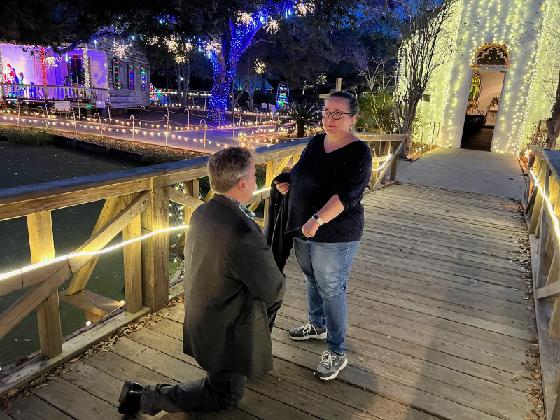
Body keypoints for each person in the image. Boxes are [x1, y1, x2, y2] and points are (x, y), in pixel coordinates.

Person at [118, 147, 286, 416]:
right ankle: (142, 397)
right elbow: (274, 288)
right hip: (226, 330)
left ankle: (243, 363)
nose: (256, 182)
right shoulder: (243, 230)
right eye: (254, 175)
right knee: (224, 396)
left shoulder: (203, 212)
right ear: (242, 183)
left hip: (203, 315)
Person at [276, 91, 372, 381]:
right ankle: (317, 325)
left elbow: (347, 195)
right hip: (303, 226)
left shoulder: (359, 152)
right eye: (326, 112)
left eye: (337, 113)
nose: (329, 118)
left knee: (331, 288)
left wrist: (317, 220)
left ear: (353, 119)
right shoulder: (316, 142)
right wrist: (286, 181)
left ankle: (336, 350)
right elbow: (301, 172)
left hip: (335, 233)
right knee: (311, 278)